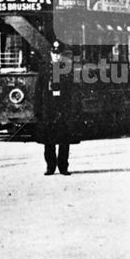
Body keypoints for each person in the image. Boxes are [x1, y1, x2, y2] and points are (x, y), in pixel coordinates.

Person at [34, 41, 80, 176]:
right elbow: (38, 91)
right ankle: (50, 167)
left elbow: (73, 91)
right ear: (50, 53)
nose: (56, 56)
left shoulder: (67, 69)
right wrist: (38, 109)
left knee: (64, 139)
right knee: (49, 140)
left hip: (63, 108)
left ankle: (63, 167)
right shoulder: (44, 69)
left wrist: (73, 108)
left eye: (58, 53)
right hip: (48, 109)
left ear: (62, 54)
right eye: (54, 53)